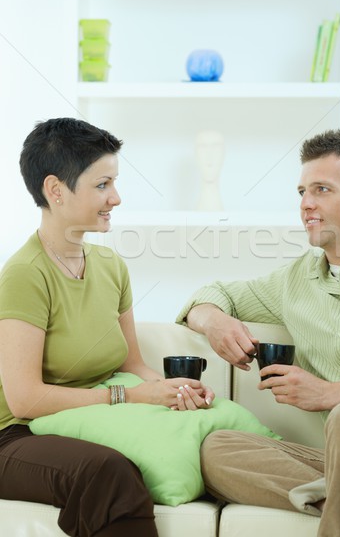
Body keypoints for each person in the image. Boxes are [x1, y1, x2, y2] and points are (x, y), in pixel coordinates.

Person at [176, 129, 340, 537]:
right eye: (302, 191)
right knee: (217, 449)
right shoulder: (296, 279)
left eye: (321, 189)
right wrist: (215, 322)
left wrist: (330, 394)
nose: (306, 205)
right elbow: (211, 295)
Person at [0, 117, 214, 537]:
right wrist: (130, 397)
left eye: (113, 183)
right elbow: (24, 399)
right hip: (15, 437)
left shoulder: (111, 266)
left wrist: (178, 389)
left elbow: (134, 363)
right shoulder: (25, 275)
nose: (115, 198)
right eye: (102, 185)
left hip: (91, 421)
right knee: (107, 470)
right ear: (55, 190)